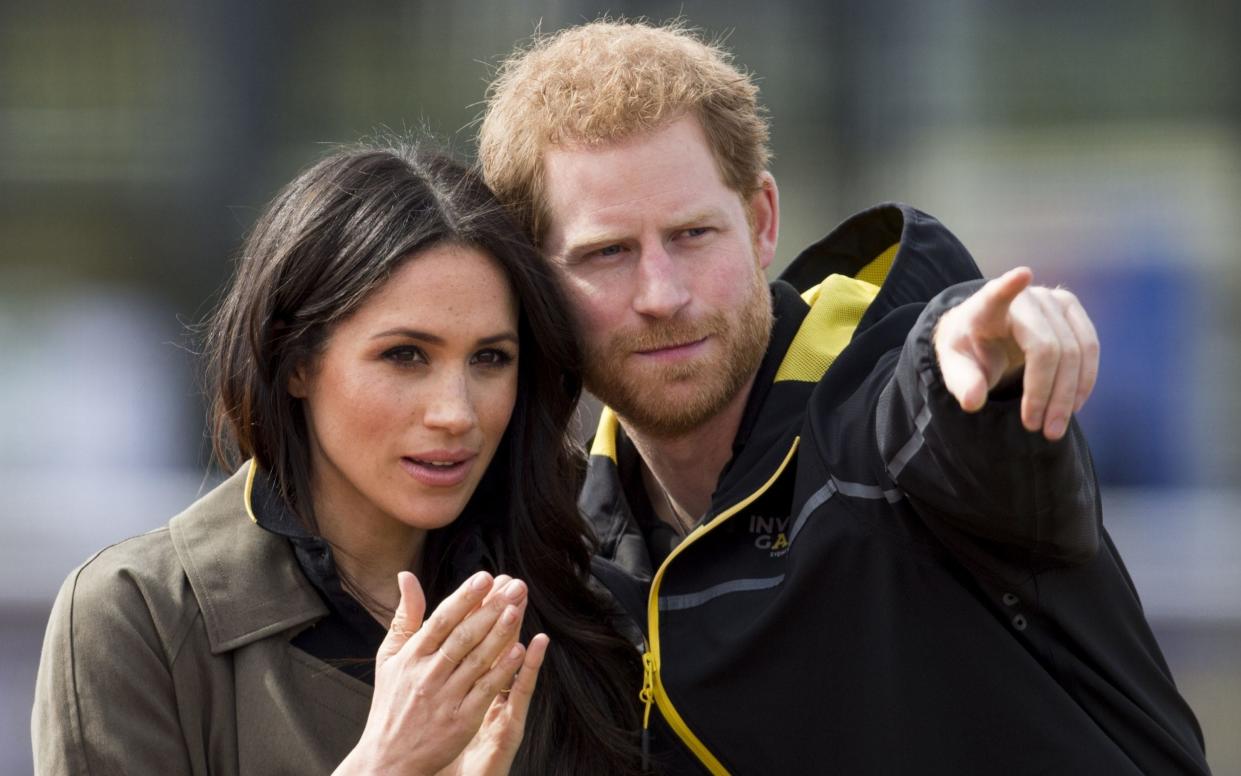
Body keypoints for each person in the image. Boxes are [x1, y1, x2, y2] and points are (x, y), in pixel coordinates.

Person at [478, 20, 1212, 775]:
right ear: (535, 281)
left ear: (761, 222)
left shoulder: (887, 406)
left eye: (693, 234)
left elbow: (935, 410)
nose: (661, 294)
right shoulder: (561, 556)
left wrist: (982, 371)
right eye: (607, 253)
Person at [31, 144, 646, 775]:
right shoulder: (138, 618)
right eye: (406, 355)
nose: (457, 413)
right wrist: (384, 764)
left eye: (490, 358)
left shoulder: (581, 597)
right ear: (297, 361)